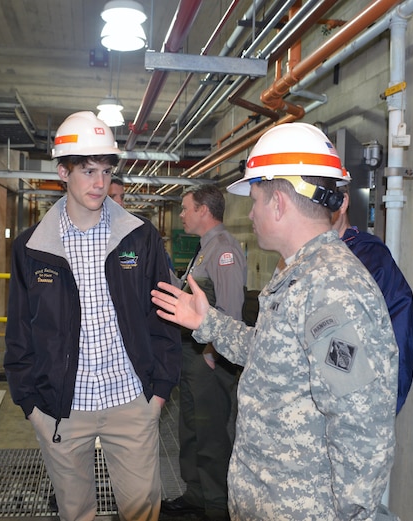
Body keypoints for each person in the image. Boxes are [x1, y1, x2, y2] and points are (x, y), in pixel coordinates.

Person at [151, 122, 398, 521]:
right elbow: (269, 353)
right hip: (268, 500)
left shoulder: (332, 287)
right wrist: (208, 322)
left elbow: (361, 424)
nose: (249, 213)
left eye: (255, 200)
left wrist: (351, 514)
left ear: (279, 202)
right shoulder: (298, 273)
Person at [4, 111, 181, 521]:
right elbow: (19, 327)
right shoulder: (33, 247)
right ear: (62, 172)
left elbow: (163, 317)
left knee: (142, 511)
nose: (99, 183)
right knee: (76, 512)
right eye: (87, 171)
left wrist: (158, 391)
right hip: (62, 406)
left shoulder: (139, 237)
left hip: (130, 400)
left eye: (105, 171)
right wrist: (30, 402)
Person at [161, 185, 246, 521]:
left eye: (185, 208)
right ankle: (197, 495)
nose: (181, 215)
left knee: (212, 437)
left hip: (211, 359)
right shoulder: (205, 249)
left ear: (204, 211)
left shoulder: (223, 250)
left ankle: (216, 508)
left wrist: (212, 353)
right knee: (192, 429)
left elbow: (231, 312)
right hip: (194, 354)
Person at [332, 182, 413, 414]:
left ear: (342, 202)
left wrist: (382, 411)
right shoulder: (300, 258)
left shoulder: (370, 259)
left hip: (352, 412)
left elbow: (399, 337)